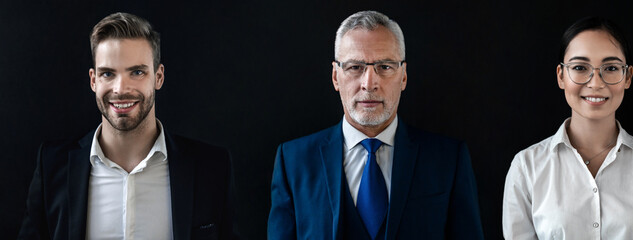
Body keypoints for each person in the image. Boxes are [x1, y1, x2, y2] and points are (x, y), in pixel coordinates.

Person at [268, 10, 484, 240]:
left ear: (403, 76)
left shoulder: (449, 160)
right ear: (335, 77)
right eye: (355, 67)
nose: (369, 84)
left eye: (385, 67)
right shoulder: (293, 161)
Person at [19, 12, 236, 239]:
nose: (121, 88)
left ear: (158, 77)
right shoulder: (52, 167)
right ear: (94, 80)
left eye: (137, 72)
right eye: (108, 74)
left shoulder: (212, 168)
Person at [502, 17, 633, 239]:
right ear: (561, 76)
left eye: (610, 68)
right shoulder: (526, 168)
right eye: (580, 67)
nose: (596, 83)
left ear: (627, 77)